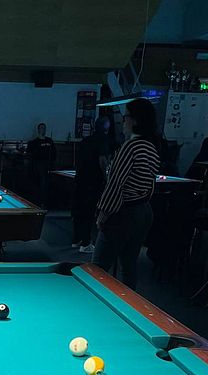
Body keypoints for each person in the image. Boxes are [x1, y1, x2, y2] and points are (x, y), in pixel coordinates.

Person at [92, 98, 160, 290]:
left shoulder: (130, 147)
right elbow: (150, 185)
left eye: (125, 117)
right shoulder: (151, 147)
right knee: (129, 266)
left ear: (135, 120)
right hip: (143, 211)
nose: (123, 122)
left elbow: (115, 184)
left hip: (123, 212)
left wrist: (103, 213)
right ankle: (127, 304)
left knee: (97, 269)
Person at [72, 116, 111, 253]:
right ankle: (86, 243)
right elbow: (102, 161)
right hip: (93, 181)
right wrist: (107, 178)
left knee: (79, 210)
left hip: (80, 179)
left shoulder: (86, 140)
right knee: (89, 212)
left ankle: (76, 240)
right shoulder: (103, 140)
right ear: (107, 128)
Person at [27, 123, 56, 207]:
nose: (43, 130)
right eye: (42, 128)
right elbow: (32, 154)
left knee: (48, 184)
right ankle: (40, 202)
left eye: (44, 128)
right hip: (39, 166)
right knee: (41, 184)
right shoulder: (34, 142)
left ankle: (46, 202)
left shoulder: (49, 141)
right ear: (38, 130)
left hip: (49, 165)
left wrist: (52, 162)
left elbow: (54, 153)